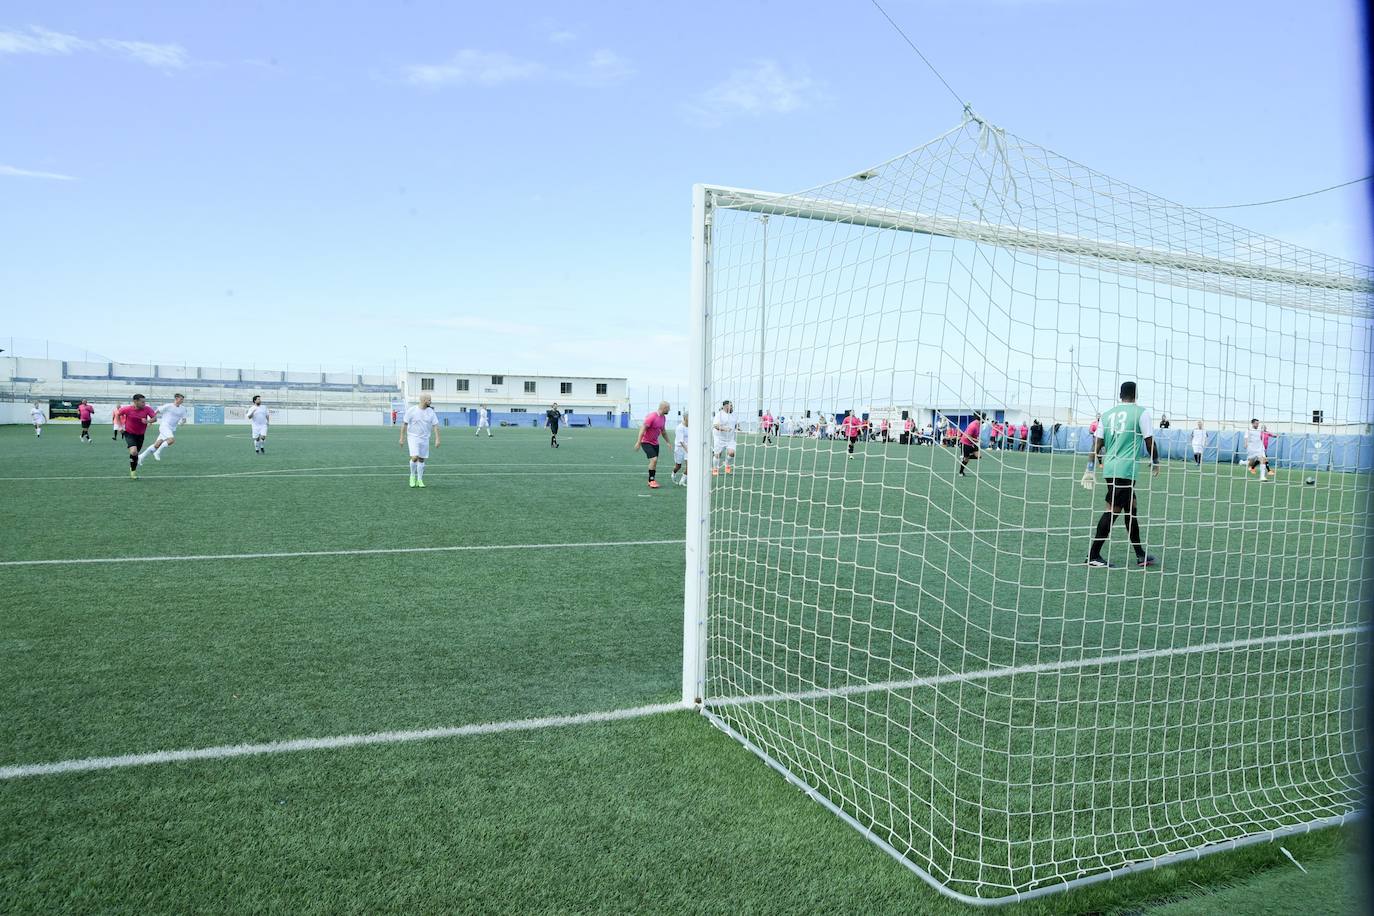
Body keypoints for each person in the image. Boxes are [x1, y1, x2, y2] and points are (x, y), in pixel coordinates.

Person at [1085, 381, 1159, 568]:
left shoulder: (1107, 415)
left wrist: (1090, 468)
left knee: (1131, 509)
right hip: (1125, 470)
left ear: (1120, 395)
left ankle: (1140, 554)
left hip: (1111, 468)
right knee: (1113, 510)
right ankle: (1093, 555)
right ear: (1136, 395)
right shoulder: (1141, 413)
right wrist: (1156, 461)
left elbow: (1096, 445)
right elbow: (1149, 441)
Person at [401, 394, 441, 488]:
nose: (431, 401)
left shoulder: (431, 412)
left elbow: (435, 426)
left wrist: (437, 439)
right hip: (413, 437)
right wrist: (402, 438)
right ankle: (412, 476)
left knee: (421, 459)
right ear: (423, 400)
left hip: (425, 438)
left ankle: (419, 480)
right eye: (429, 400)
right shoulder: (412, 410)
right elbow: (405, 424)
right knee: (415, 457)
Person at [139, 393, 188, 465]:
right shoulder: (168, 406)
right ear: (176, 398)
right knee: (171, 440)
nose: (182, 401)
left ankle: (140, 457)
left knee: (157, 445)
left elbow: (184, 419)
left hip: (171, 429)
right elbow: (156, 411)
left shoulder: (183, 409)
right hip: (164, 426)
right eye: (181, 399)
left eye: (182, 399)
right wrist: (151, 421)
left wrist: (182, 423)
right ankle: (157, 453)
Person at [634, 400, 673, 489]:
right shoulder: (652, 417)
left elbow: (663, 431)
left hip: (655, 443)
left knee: (654, 462)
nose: (669, 410)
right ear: (664, 408)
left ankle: (652, 480)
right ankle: (651, 480)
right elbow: (642, 429)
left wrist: (668, 442)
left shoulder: (663, 418)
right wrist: (638, 442)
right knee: (654, 460)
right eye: (668, 408)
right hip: (646, 442)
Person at [119, 395, 157, 480]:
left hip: (140, 435)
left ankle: (132, 467)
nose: (144, 403)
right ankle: (133, 472)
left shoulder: (147, 409)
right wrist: (120, 426)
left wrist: (148, 421)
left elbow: (155, 418)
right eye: (142, 402)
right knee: (133, 451)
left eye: (144, 401)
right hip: (129, 433)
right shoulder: (127, 409)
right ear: (135, 401)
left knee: (135, 454)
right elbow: (118, 414)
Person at [671, 412, 690, 486]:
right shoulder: (680, 428)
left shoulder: (692, 426)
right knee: (678, 466)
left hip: (688, 449)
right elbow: (681, 441)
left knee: (689, 466)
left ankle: (682, 481)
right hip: (679, 448)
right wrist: (687, 449)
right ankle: (673, 473)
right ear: (685, 418)